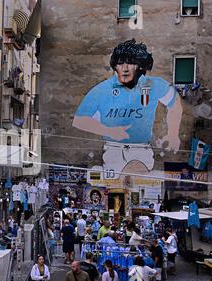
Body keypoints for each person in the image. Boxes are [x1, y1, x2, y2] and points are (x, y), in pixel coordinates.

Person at [72, 39, 182, 181]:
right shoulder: (102, 90)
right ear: (115, 66)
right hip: (113, 149)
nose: (125, 68)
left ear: (139, 66)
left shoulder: (153, 85)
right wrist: (109, 131)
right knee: (115, 188)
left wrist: (173, 134)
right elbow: (80, 120)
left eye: (130, 63)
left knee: (139, 185)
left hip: (141, 149)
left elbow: (175, 102)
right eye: (120, 63)